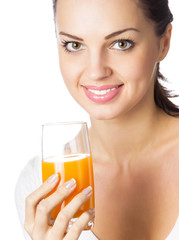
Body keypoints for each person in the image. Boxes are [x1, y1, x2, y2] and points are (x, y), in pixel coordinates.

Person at [15, 0, 179, 239]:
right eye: (74, 44)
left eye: (121, 44)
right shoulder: (39, 186)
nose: (96, 71)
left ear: (163, 43)